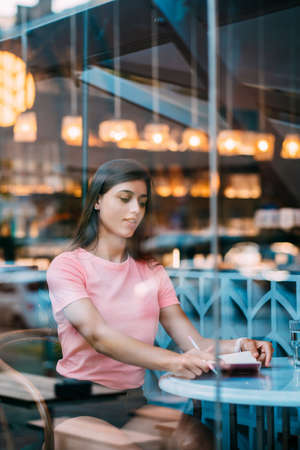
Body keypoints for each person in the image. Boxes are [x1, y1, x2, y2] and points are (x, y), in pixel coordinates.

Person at [47, 158, 273, 448]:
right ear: (98, 201)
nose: (135, 211)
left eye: (142, 202)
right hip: (79, 405)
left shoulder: (150, 270)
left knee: (196, 439)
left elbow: (195, 343)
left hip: (133, 403)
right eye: (125, 199)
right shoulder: (67, 266)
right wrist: (175, 361)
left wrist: (240, 345)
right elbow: (99, 337)